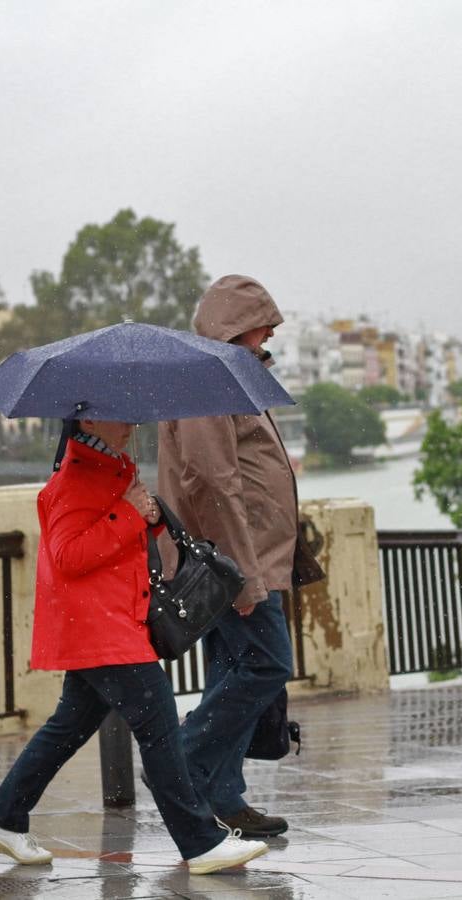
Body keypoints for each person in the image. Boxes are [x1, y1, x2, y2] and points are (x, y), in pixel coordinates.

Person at [0, 418, 268, 875]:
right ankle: (200, 843)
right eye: (120, 415)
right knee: (159, 727)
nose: (131, 423)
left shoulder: (109, 470)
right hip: (102, 629)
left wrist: (147, 519)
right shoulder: (76, 478)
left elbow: (111, 543)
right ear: (89, 419)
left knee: (66, 728)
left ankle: (4, 818)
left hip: (109, 623)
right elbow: (68, 555)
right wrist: (129, 512)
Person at [157, 275, 298, 838]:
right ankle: (183, 762)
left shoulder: (231, 378)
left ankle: (222, 795)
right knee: (267, 664)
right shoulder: (208, 383)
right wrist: (243, 580)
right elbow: (213, 485)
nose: (269, 335)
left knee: (235, 670)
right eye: (263, 325)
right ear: (239, 326)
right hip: (233, 564)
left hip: (250, 558)